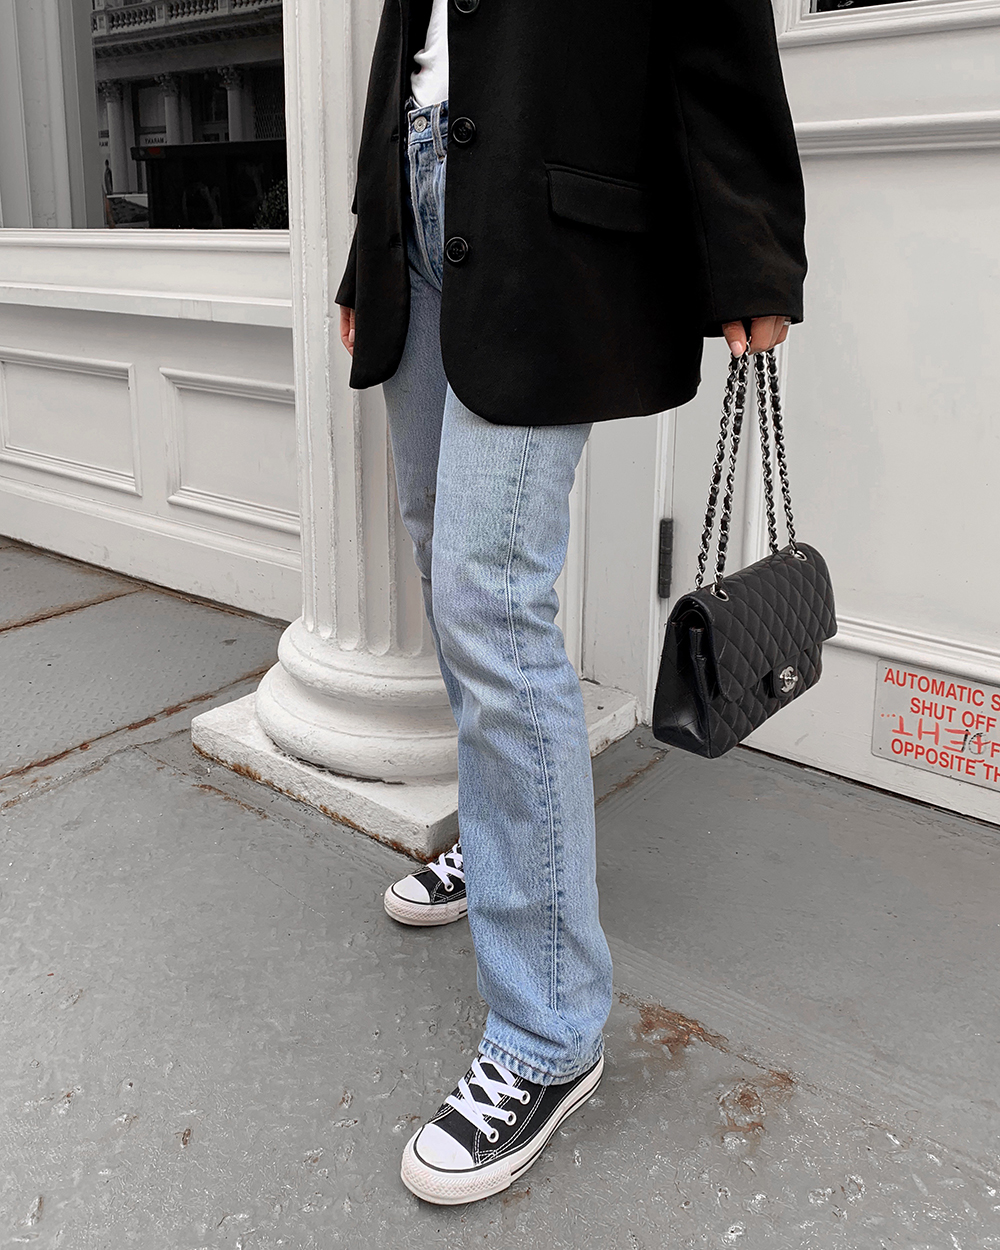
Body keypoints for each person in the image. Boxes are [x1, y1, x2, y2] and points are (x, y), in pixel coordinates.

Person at [336, 0, 805, 1206]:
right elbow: (411, 40)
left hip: (541, 217)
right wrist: (366, 241)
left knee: (490, 599)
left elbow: (714, 33)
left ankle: (547, 1030)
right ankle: (505, 847)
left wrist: (751, 246)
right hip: (417, 212)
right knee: (442, 557)